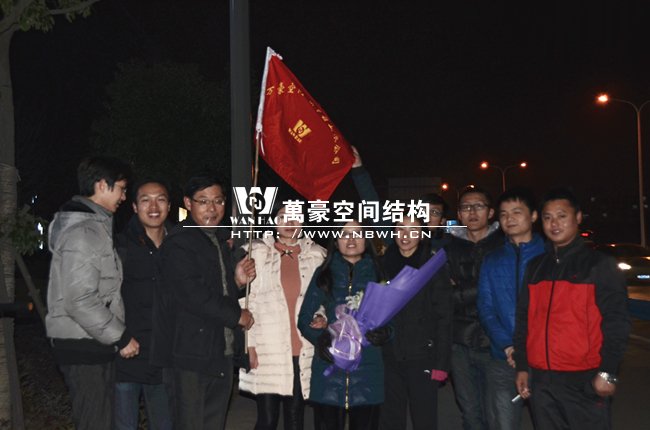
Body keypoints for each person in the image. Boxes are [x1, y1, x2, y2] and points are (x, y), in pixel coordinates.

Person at [513, 188, 630, 430]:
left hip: (584, 379)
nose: (554, 223)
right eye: (547, 217)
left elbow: (616, 322)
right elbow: (524, 319)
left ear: (577, 217)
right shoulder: (536, 267)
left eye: (561, 216)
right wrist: (523, 366)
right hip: (542, 380)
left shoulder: (600, 265)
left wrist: (608, 372)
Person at [45, 156, 139, 430]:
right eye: (121, 188)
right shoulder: (84, 233)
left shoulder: (94, 227)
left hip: (90, 342)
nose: (124, 196)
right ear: (101, 185)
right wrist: (121, 336)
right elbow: (80, 299)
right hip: (84, 345)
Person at [156, 175, 256, 429]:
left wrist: (237, 282)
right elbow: (192, 294)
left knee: (214, 422)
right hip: (191, 354)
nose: (212, 208)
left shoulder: (217, 240)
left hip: (219, 351)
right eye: (203, 201)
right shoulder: (179, 243)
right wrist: (237, 315)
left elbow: (215, 288)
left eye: (218, 201)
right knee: (191, 423)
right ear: (188, 203)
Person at [238, 205, 326, 430]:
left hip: (302, 348)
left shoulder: (317, 255)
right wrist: (250, 345)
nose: (289, 222)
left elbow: (323, 298)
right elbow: (248, 301)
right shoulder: (258, 252)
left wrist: (321, 316)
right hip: (268, 349)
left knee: (295, 419)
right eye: (283, 217)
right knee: (267, 420)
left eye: (295, 217)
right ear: (274, 222)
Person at [298, 221, 386, 430]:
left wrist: (384, 333)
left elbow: (393, 320)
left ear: (366, 239)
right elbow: (303, 318)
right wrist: (322, 341)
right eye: (345, 234)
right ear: (336, 241)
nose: (351, 239)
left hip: (368, 370)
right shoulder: (324, 273)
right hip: (329, 370)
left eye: (357, 233)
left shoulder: (379, 273)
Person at [477, 187, 544, 430]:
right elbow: (485, 307)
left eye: (516, 212)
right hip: (503, 357)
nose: (509, 218)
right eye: (504, 214)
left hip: (544, 359)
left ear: (533, 216)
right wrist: (507, 345)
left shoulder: (549, 255)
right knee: (503, 423)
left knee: (550, 422)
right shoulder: (492, 259)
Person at [379, 216, 453, 430]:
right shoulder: (383, 264)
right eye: (400, 228)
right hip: (389, 355)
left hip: (422, 356)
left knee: (424, 419)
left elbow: (444, 317)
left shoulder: (432, 266)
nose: (406, 235)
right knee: (390, 419)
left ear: (421, 235)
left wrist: (442, 364)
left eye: (413, 230)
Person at [114, 180, 173, 430]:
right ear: (135, 207)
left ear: (169, 206)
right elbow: (103, 297)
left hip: (165, 357)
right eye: (146, 200)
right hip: (127, 354)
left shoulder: (179, 246)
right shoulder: (119, 245)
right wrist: (119, 337)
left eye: (160, 199)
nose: (153, 206)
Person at [445, 185, 502, 430]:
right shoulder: (448, 248)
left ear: (490, 212)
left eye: (478, 206)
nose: (472, 212)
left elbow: (504, 291)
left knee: (496, 413)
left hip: (495, 342)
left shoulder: (505, 245)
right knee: (470, 412)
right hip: (459, 342)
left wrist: (462, 289)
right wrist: (485, 287)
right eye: (466, 207)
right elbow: (443, 295)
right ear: (459, 214)